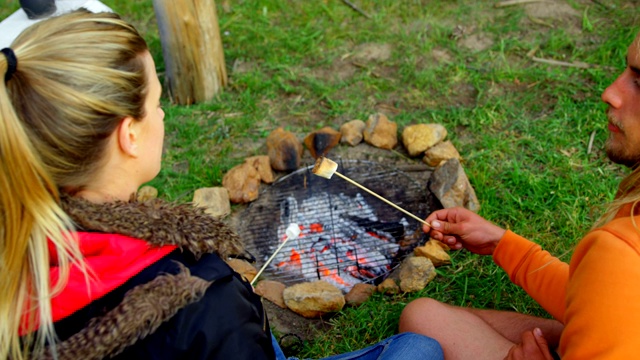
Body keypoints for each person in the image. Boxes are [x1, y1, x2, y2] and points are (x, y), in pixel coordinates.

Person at [0, 10, 444, 360]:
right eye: (156, 102)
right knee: (422, 349)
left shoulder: (15, 240)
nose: (162, 115)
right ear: (127, 134)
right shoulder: (202, 303)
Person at [398, 29, 640, 359]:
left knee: (424, 323)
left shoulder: (622, 253)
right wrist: (503, 245)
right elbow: (603, 295)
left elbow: (614, 280)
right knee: (423, 316)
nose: (610, 92)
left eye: (639, 83)